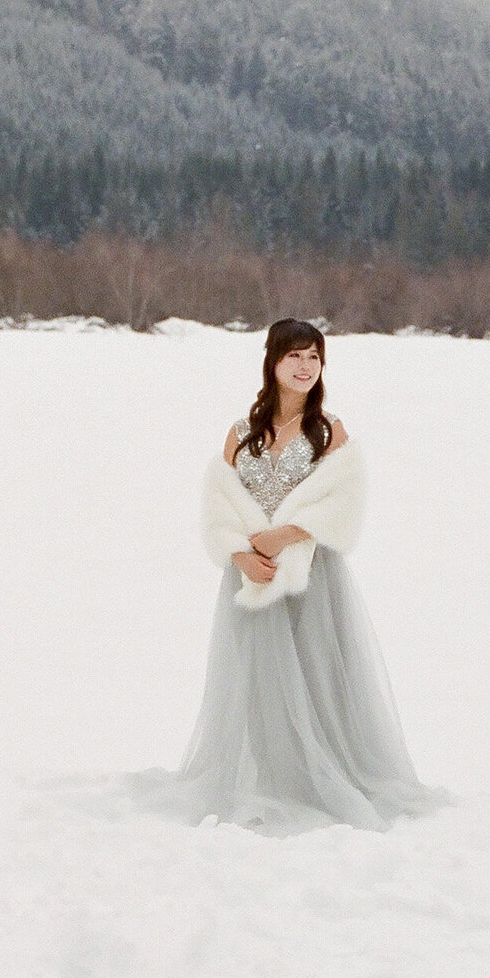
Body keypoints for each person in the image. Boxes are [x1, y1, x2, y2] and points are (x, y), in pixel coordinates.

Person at [159, 317, 441, 835]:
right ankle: (263, 778)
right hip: (251, 577)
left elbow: (344, 503)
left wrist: (285, 536)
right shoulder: (242, 433)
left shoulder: (330, 431)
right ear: (272, 360)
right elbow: (217, 505)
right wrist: (240, 553)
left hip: (311, 578)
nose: (305, 366)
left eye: (314, 357)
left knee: (315, 678)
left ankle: (317, 780)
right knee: (253, 680)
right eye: (294, 356)